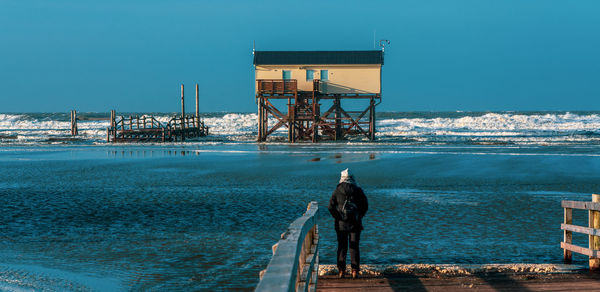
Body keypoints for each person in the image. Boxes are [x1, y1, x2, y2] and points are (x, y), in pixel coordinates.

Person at [327, 168, 368, 279]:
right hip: (355, 223)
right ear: (352, 178)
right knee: (354, 246)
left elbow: (330, 207)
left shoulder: (337, 190)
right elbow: (365, 206)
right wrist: (359, 216)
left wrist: (338, 217)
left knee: (342, 246)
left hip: (341, 224)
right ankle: (354, 271)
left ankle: (341, 271)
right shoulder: (358, 190)